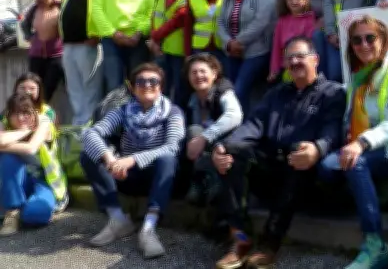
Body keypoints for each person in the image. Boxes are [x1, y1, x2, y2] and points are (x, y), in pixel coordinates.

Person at [212, 37, 345, 269]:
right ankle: (241, 239)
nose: (294, 62)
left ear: (316, 59)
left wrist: (318, 148)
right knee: (231, 152)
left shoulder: (333, 93)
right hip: (272, 173)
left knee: (299, 152)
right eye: (289, 58)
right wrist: (224, 147)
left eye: (300, 56)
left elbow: (333, 131)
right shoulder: (276, 93)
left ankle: (270, 244)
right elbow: (253, 125)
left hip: (308, 181)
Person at [318, 16, 388, 269]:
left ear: (384, 41)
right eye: (356, 40)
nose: (363, 44)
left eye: (370, 38)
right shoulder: (358, 76)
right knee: (326, 166)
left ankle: (376, 244)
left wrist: (360, 144)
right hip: (372, 147)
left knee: (355, 164)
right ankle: (374, 198)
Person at [80, 63, 185, 259]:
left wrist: (132, 160)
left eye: (153, 81)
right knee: (89, 155)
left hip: (159, 178)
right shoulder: (122, 111)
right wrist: (110, 159)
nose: (147, 85)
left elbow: (173, 146)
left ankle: (148, 228)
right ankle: (118, 219)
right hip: (125, 176)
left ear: (161, 86)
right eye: (141, 81)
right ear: (133, 87)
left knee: (168, 158)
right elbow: (89, 133)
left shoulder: (173, 112)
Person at [217, 0, 278, 115]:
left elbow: (261, 20)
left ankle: (242, 129)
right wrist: (228, 43)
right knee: (229, 92)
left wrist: (240, 41)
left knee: (239, 89)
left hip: (257, 50)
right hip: (232, 52)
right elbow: (220, 21)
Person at [92, 0, 156, 93]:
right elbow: (96, 7)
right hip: (111, 40)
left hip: (137, 41)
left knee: (140, 83)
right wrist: (113, 33)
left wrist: (138, 33)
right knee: (114, 85)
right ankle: (116, 115)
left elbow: (151, 13)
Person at [0, 94, 68, 236]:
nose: (20, 118)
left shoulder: (44, 123)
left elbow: (31, 148)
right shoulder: (7, 126)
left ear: (34, 113)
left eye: (25, 113)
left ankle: (25, 206)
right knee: (8, 159)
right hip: (20, 182)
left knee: (34, 215)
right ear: (8, 115)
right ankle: (12, 211)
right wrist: (24, 131)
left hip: (44, 182)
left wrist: (26, 133)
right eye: (15, 114)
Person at [184, 53, 242, 206]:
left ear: (214, 74)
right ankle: (200, 182)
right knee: (192, 131)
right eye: (194, 72)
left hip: (227, 142)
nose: (198, 76)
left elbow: (234, 115)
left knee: (196, 133)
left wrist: (205, 138)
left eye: (203, 71)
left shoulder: (224, 91)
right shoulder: (193, 99)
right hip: (207, 148)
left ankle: (208, 183)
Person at [59, 0, 103, 126]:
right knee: (74, 88)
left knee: (90, 87)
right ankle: (79, 123)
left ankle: (90, 123)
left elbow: (103, 11)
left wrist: (98, 34)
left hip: (88, 43)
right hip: (69, 45)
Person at [147, 0, 194, 104]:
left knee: (180, 92)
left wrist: (155, 37)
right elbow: (156, 15)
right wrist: (154, 40)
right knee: (162, 90)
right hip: (163, 49)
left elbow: (179, 18)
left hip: (179, 49)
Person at [21, 0, 63, 102]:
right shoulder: (34, 8)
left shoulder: (60, 6)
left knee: (47, 89)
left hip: (56, 55)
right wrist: (29, 37)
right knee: (33, 88)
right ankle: (34, 114)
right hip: (36, 55)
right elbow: (24, 24)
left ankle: (41, 114)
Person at [268, 0, 317, 82]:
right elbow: (276, 47)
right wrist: (274, 70)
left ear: (305, 0)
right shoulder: (282, 21)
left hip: (304, 64)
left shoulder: (310, 18)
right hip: (287, 65)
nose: (294, 2)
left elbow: (310, 43)